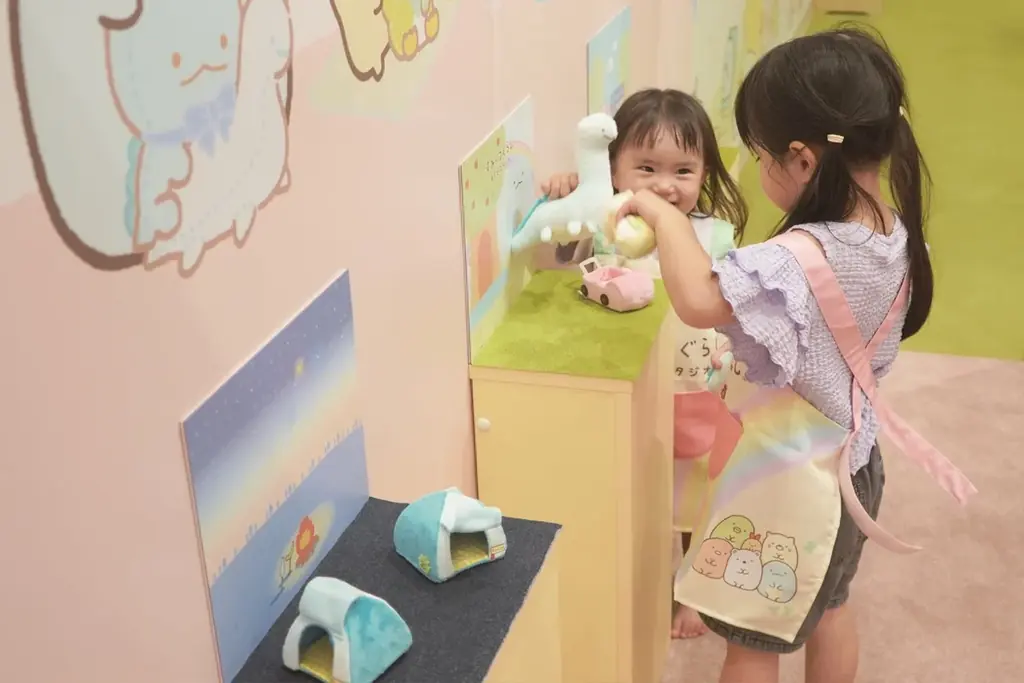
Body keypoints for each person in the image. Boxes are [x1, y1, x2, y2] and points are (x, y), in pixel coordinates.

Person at [616, 28, 933, 683]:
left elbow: (699, 300)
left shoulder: (796, 257)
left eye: (760, 156)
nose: (759, 170)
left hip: (790, 482)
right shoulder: (896, 235)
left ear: (802, 161)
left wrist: (662, 215)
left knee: (752, 643)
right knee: (830, 608)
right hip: (858, 463)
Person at [542, 87, 748, 640]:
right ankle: (636, 579)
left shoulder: (715, 235)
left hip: (696, 390)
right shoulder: (604, 224)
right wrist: (571, 191)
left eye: (683, 170)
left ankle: (693, 590)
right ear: (613, 169)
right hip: (628, 385)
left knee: (696, 497)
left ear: (705, 172)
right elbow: (556, 252)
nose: (665, 185)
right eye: (647, 168)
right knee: (633, 488)